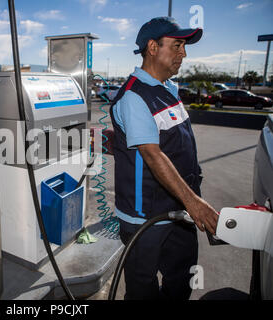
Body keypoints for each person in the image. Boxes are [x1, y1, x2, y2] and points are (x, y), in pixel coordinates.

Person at [109, 16, 219, 300]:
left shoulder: (169, 90)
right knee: (142, 289)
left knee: (181, 279)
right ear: (153, 47)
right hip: (145, 216)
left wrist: (191, 197)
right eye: (178, 45)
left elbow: (178, 146)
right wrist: (195, 203)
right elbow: (152, 154)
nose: (184, 53)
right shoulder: (134, 96)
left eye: (184, 46)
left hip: (179, 211)